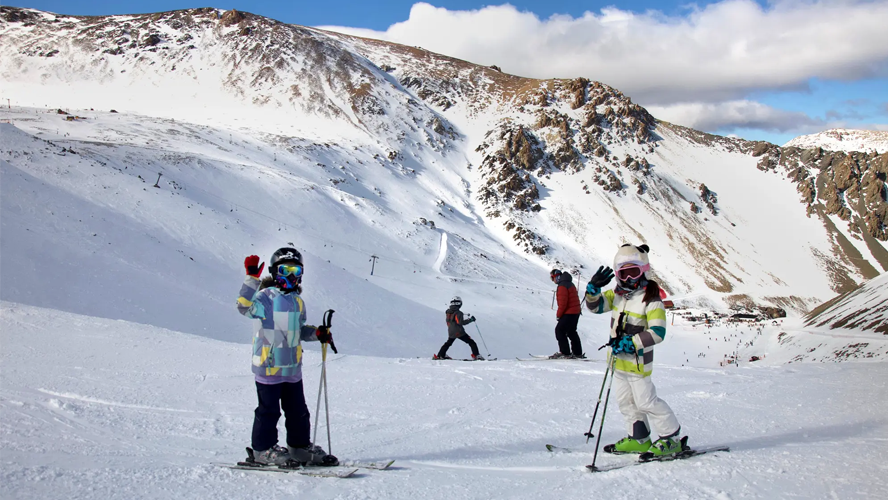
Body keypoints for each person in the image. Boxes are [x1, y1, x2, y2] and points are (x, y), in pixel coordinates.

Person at [237, 247, 338, 466]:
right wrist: (252, 278)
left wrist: (317, 333)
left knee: (298, 412)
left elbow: (298, 330)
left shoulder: (297, 302)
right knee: (269, 412)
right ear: (275, 272)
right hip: (268, 366)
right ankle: (262, 451)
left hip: (292, 368)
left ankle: (299, 447)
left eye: (295, 270)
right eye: (285, 270)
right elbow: (243, 307)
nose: (291, 276)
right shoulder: (265, 298)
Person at [584, 244, 683, 456]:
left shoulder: (651, 299)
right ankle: (639, 438)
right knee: (626, 403)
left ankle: (671, 437)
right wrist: (592, 290)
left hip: (638, 363)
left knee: (646, 402)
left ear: (644, 271)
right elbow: (594, 307)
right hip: (617, 362)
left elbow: (658, 332)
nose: (629, 279)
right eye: (624, 273)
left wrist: (631, 343)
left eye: (634, 272)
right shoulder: (617, 295)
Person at [434, 296, 484, 360]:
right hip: (459, 332)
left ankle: (440, 355)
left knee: (448, 343)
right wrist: (471, 320)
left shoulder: (448, 312)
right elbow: (461, 323)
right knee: (471, 342)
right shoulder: (458, 313)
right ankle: (476, 355)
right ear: (459, 304)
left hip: (451, 331)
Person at [549, 269, 583, 359]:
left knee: (559, 330)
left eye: (553, 278)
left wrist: (558, 315)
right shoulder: (569, 283)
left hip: (569, 312)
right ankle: (577, 353)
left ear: (557, 276)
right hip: (576, 312)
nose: (553, 280)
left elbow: (563, 303)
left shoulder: (562, 286)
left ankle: (565, 352)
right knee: (571, 332)